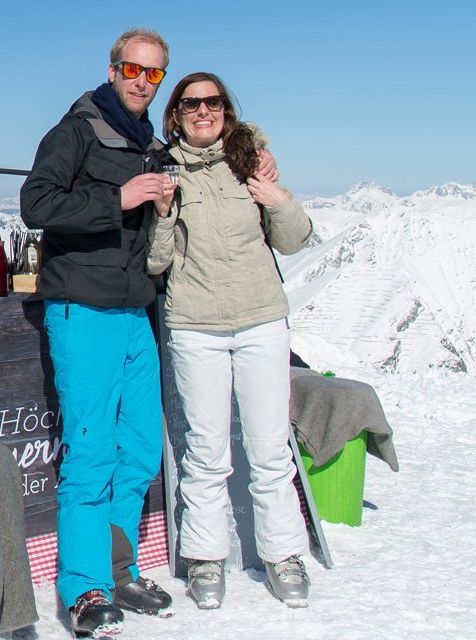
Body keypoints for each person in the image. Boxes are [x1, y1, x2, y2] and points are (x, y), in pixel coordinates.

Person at [18, 27, 178, 637]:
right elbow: (36, 204)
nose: (142, 80)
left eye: (154, 73)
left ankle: (120, 569)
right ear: (112, 70)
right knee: (90, 455)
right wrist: (120, 198)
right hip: (83, 309)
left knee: (137, 449)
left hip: (135, 312)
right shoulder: (76, 130)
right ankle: (83, 588)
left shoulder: (149, 142)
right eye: (132, 69)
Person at [148, 72, 315, 609]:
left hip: (262, 319)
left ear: (226, 110)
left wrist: (277, 197)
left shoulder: (251, 162)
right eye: (191, 104)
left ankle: (283, 553)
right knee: (206, 451)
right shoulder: (163, 170)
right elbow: (157, 262)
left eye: (213, 102)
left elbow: (293, 241)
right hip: (196, 324)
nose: (203, 111)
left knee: (269, 448)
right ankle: (205, 557)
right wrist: (163, 215)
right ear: (175, 114)